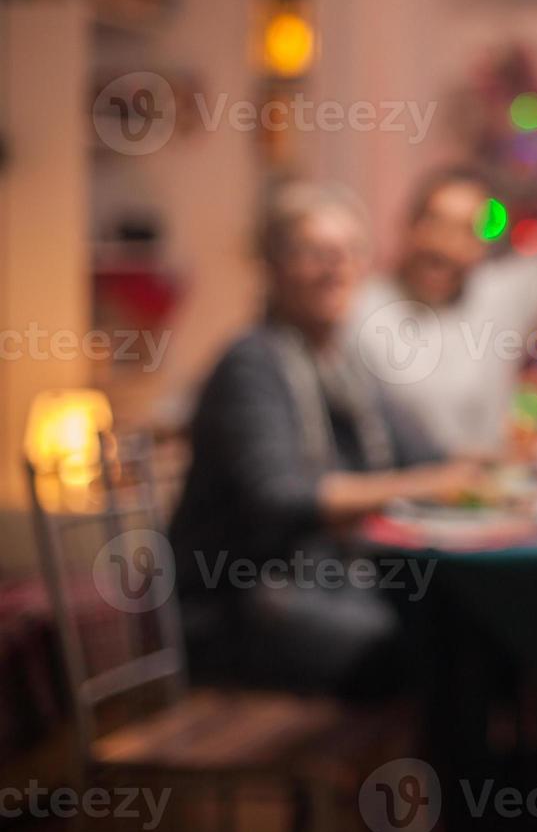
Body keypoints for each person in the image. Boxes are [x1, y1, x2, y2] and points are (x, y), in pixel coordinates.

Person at [168, 183, 484, 698]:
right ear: (273, 266)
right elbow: (283, 498)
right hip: (238, 605)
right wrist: (432, 483)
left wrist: (505, 465)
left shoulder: (340, 364)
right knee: (423, 647)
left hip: (319, 586)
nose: (334, 268)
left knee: (466, 623)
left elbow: (427, 457)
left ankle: (481, 776)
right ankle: (444, 778)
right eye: (314, 253)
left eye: (348, 253)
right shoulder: (253, 362)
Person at [353, 99, 537, 454]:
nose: (446, 246)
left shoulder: (495, 298)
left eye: (466, 231)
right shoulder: (359, 307)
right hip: (393, 500)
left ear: (482, 245)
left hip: (486, 500)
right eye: (435, 223)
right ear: (409, 227)